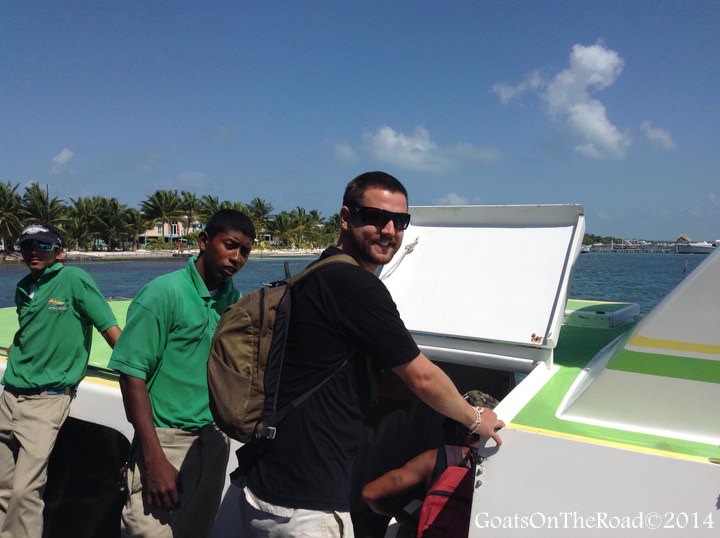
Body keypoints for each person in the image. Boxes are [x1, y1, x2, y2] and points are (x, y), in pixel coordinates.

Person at [238, 171, 505, 537]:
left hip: (270, 482)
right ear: (346, 218)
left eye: (400, 221)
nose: (390, 230)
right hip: (304, 505)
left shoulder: (321, 271)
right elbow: (421, 377)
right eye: (376, 217)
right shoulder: (355, 285)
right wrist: (476, 419)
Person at [108, 209, 255, 538]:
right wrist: (153, 460)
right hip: (165, 441)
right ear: (204, 242)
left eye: (244, 250)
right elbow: (132, 376)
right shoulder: (163, 293)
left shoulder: (234, 303)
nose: (237, 257)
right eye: (230, 245)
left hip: (213, 442)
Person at [0, 223, 121, 538]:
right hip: (9, 394)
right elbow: (30, 331)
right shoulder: (25, 286)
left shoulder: (74, 279)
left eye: (42, 245)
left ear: (59, 250)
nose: (33, 252)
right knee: (2, 486)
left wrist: (136, 372)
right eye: (27, 246)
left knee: (25, 491)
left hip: (47, 399)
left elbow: (109, 328)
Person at [362, 391, 500, 537]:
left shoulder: (433, 459)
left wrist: (406, 519)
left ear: (460, 425)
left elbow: (370, 493)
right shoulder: (503, 467)